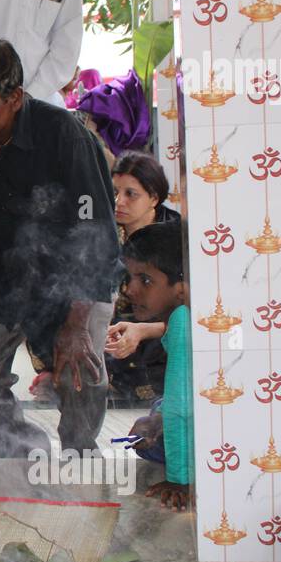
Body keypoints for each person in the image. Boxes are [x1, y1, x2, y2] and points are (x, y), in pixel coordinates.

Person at [0, 38, 119, 457]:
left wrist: (77, 325)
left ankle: (78, 452)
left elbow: (97, 232)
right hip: (2, 284)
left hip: (77, 284)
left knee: (81, 372)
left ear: (15, 98)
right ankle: (22, 453)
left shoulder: (64, 134)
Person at [120, 222, 192, 511]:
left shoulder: (181, 324)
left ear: (181, 289)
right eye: (130, 277)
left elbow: (181, 408)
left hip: (204, 431)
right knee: (158, 410)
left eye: (145, 280)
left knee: (155, 440)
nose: (130, 289)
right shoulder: (185, 314)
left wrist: (179, 481)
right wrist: (159, 418)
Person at [104, 151, 182, 403]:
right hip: (112, 356)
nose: (119, 201)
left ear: (154, 198)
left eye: (131, 194)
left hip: (162, 355)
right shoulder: (103, 235)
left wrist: (144, 330)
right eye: (114, 192)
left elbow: (194, 316)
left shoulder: (177, 239)